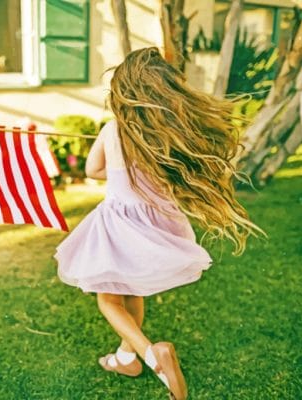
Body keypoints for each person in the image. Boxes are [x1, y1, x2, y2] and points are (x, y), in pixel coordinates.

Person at [54, 47, 265, 399]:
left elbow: (92, 171)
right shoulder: (167, 134)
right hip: (159, 225)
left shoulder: (112, 130)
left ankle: (151, 354)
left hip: (121, 222)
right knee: (132, 291)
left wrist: (115, 165)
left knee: (109, 301)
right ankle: (126, 358)